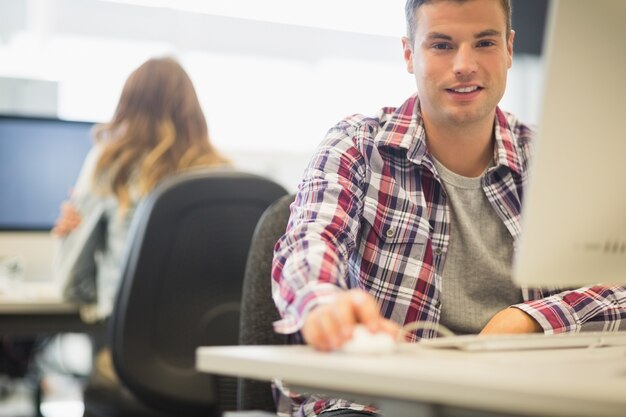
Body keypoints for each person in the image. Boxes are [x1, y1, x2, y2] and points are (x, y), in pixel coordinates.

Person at [271, 0, 626, 416]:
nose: (464, 65)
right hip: (378, 399)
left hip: (522, 396)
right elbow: (310, 240)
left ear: (510, 48)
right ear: (409, 54)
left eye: (485, 42)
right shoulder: (358, 144)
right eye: (441, 45)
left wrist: (530, 319)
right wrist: (322, 302)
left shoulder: (557, 157)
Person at [51, 56, 229, 389]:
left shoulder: (111, 166)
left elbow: (71, 285)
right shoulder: (223, 175)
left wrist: (70, 241)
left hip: (134, 360)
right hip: (212, 369)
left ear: (127, 107)